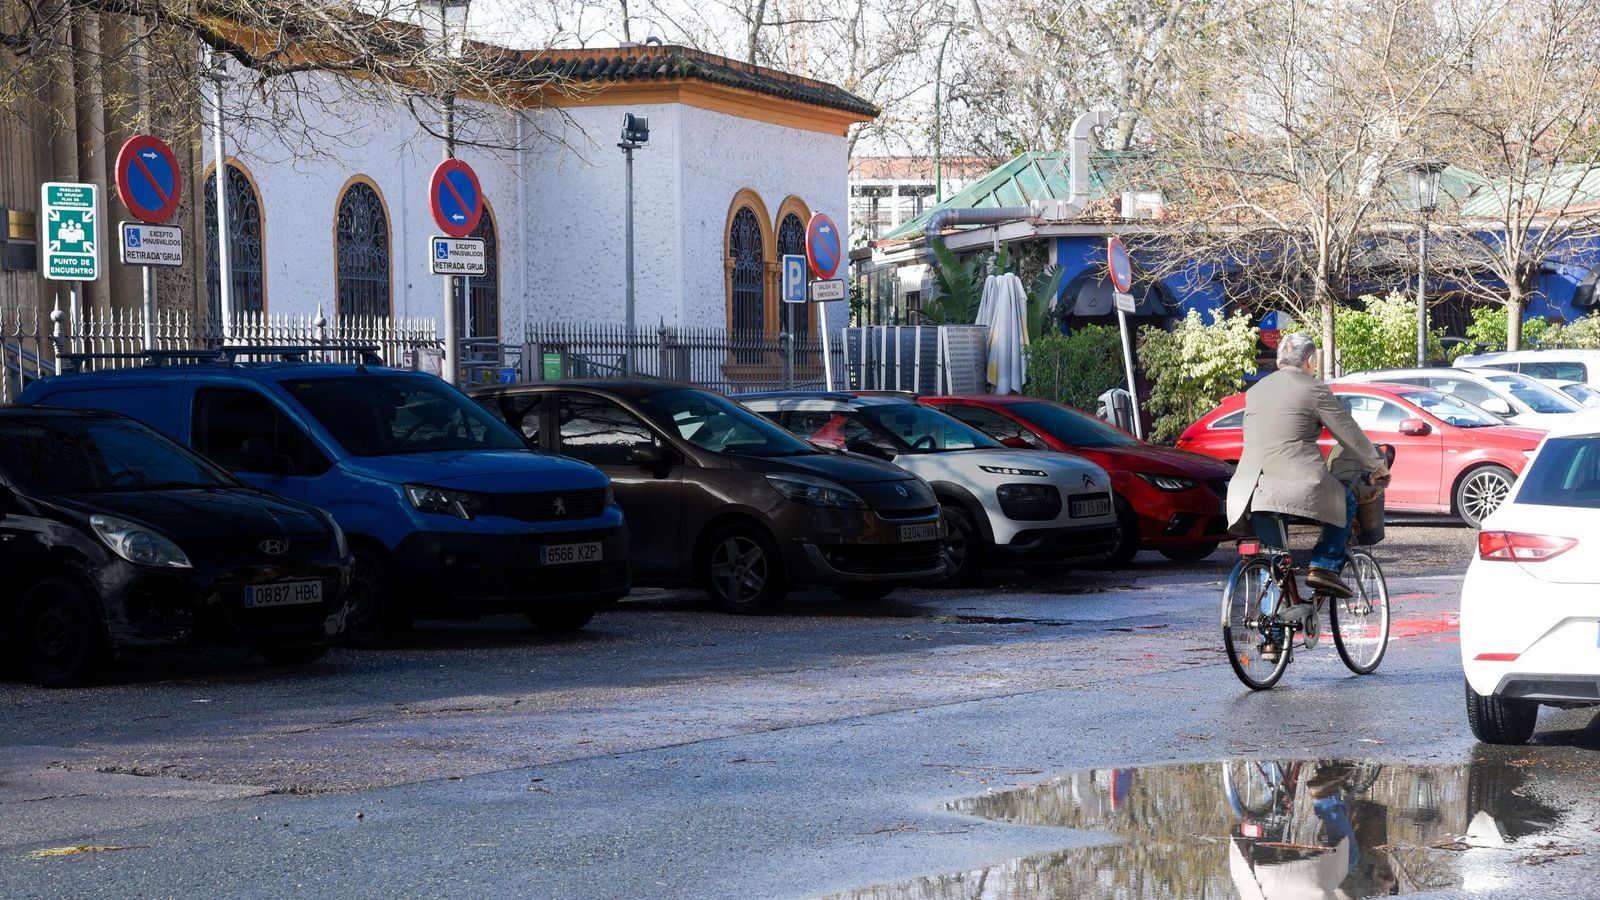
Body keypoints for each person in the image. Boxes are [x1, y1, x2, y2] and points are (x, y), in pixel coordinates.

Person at [1225, 333, 1389, 598]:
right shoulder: (1312, 388)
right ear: (1311, 360)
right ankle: (1323, 566)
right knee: (1346, 500)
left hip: (1251, 490)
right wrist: (1377, 465)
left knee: (1276, 563)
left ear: (1280, 359)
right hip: (1298, 485)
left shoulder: (1255, 391)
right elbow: (1347, 431)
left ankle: (1274, 636)